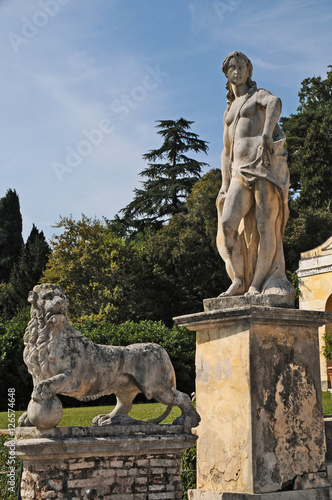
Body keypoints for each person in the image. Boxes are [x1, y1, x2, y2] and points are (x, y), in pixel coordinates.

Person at [216, 51, 294, 299]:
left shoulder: (257, 96)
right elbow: (226, 151)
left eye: (241, 67)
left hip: (262, 168)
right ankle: (240, 279)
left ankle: (257, 283)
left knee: (265, 226)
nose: (237, 72)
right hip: (239, 172)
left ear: (249, 71)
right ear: (226, 74)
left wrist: (266, 134)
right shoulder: (229, 111)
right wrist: (224, 183)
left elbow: (275, 102)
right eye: (232, 68)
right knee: (228, 225)